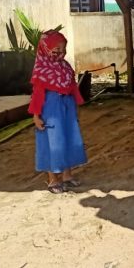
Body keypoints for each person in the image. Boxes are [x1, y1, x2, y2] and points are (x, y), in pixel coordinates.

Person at [29, 30, 87, 194]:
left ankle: (67, 176)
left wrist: (76, 107)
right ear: (46, 49)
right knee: (52, 142)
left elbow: (73, 86)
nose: (61, 53)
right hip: (50, 108)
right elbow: (37, 94)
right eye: (56, 50)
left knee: (68, 139)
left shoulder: (65, 67)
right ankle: (53, 179)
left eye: (63, 49)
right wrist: (36, 116)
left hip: (67, 106)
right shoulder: (41, 69)